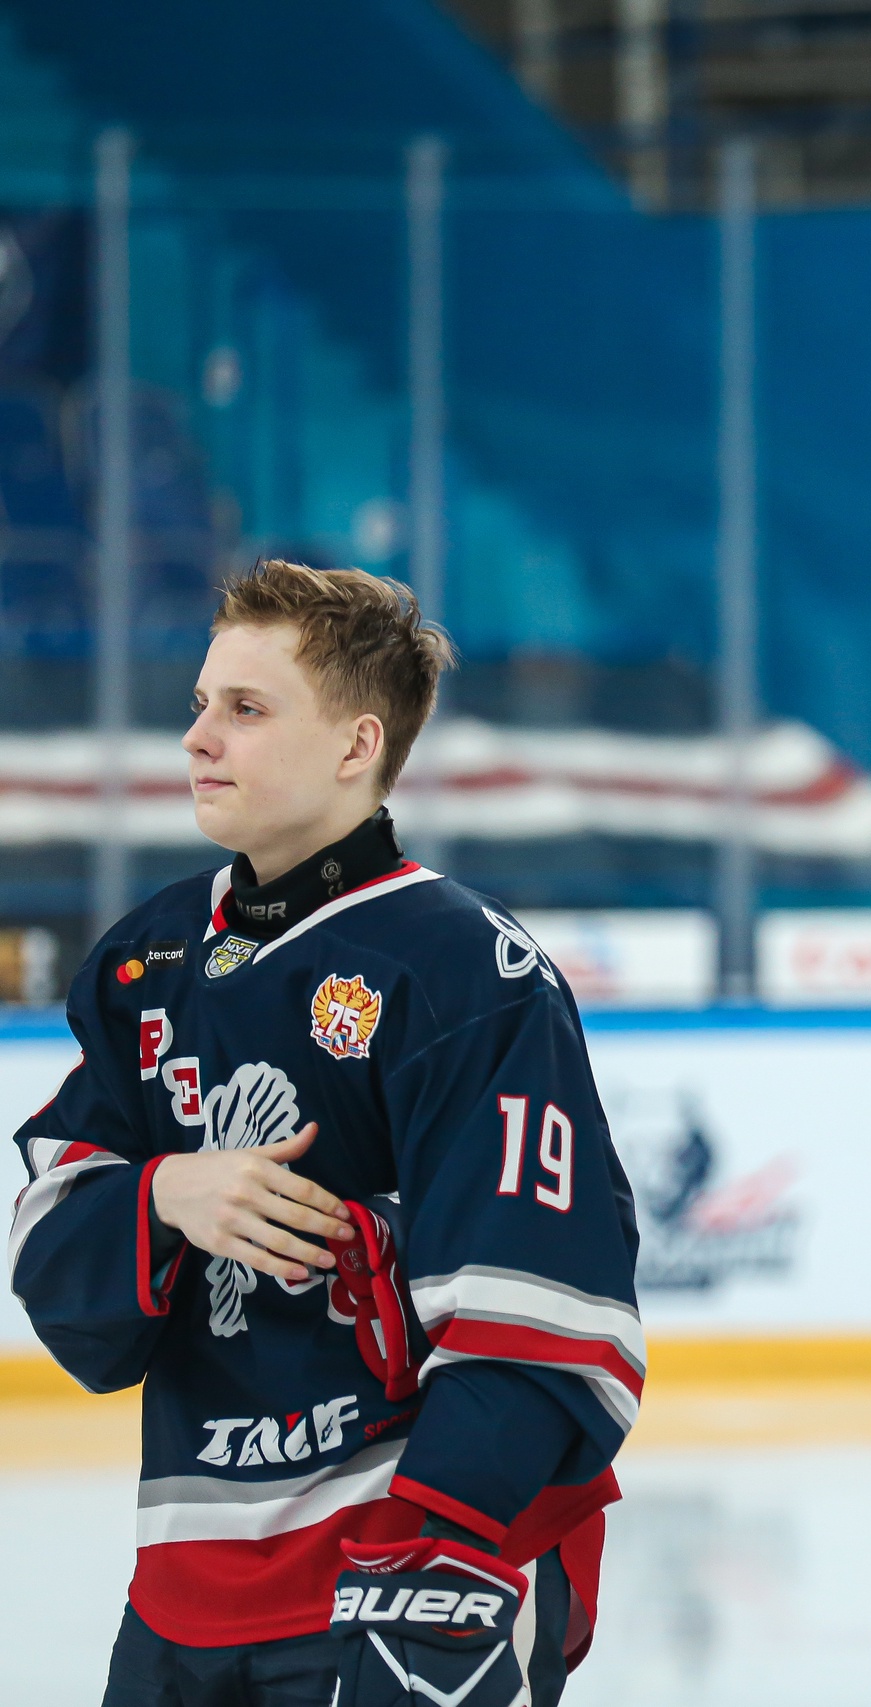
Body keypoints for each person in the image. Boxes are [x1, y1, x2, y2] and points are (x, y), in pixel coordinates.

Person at [9, 561, 643, 1707]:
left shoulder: (466, 972)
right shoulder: (145, 964)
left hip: (413, 1570)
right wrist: (163, 1195)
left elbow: (547, 1307)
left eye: (247, 709)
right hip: (187, 1588)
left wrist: (439, 1545)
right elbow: (64, 1280)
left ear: (357, 745)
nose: (199, 737)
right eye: (200, 703)